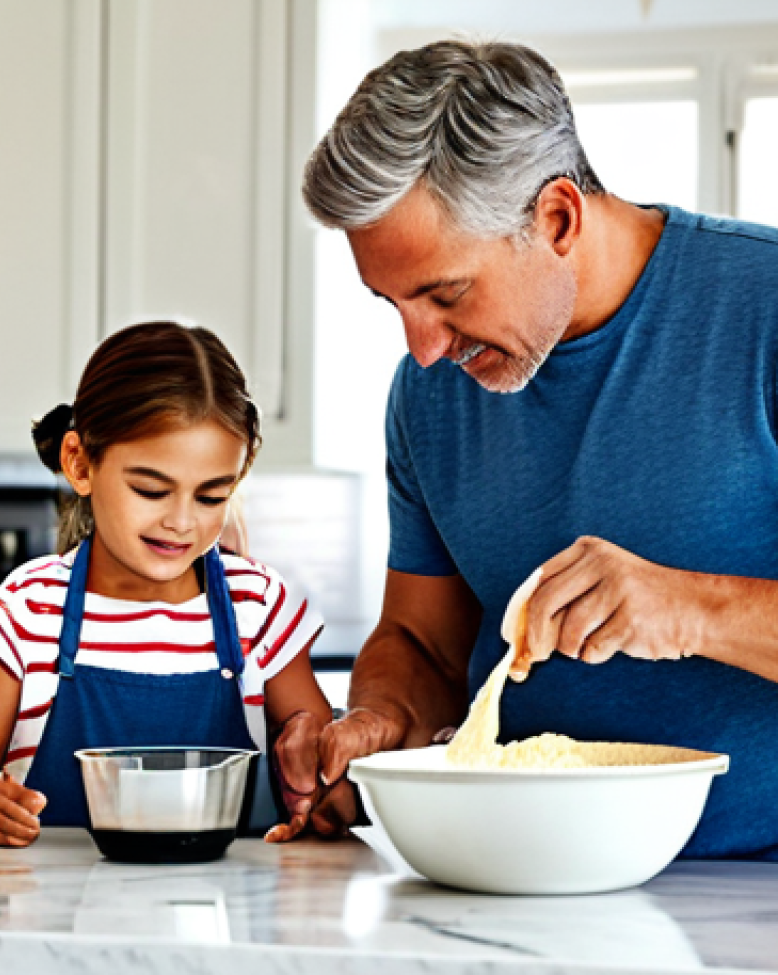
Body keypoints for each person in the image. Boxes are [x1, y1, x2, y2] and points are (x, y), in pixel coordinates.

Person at [302, 39, 778, 858]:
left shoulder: (761, 313)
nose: (421, 349)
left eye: (445, 294)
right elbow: (420, 642)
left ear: (556, 217)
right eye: (391, 303)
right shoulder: (430, 392)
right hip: (513, 882)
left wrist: (693, 610)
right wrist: (377, 722)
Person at [0, 321, 346, 846]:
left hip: (229, 916)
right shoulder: (20, 618)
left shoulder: (257, 607)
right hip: (56, 916)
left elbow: (326, 763)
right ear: (79, 464)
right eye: (151, 490)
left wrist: (321, 780)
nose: (182, 521)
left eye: (212, 496)